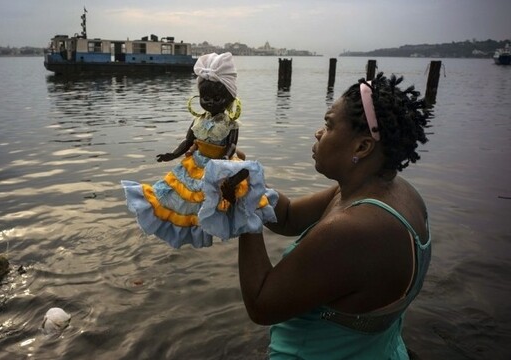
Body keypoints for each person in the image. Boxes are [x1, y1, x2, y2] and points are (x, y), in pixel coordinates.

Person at [232, 73, 432, 359]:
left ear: (362, 147)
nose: (318, 132)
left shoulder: (353, 230)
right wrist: (246, 177)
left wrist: (243, 207)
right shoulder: (396, 194)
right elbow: (288, 216)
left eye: (328, 125)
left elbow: (262, 305)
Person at [121, 52, 277, 249]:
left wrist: (226, 161)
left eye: (217, 98)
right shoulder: (198, 121)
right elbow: (188, 141)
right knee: (182, 196)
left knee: (242, 177)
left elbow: (232, 145)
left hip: (222, 161)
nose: (210, 102)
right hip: (197, 162)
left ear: (229, 99)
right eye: (205, 98)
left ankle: (232, 205)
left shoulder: (231, 124)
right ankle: (200, 221)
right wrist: (173, 154)